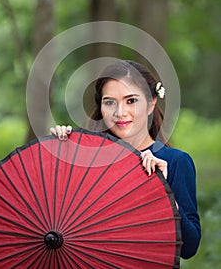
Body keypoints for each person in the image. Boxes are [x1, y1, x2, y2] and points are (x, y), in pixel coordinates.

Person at [50, 59, 201, 259]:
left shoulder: (175, 161)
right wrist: (58, 153)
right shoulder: (88, 160)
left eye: (131, 101)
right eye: (110, 102)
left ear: (151, 103)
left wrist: (164, 192)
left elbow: (189, 248)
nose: (120, 112)